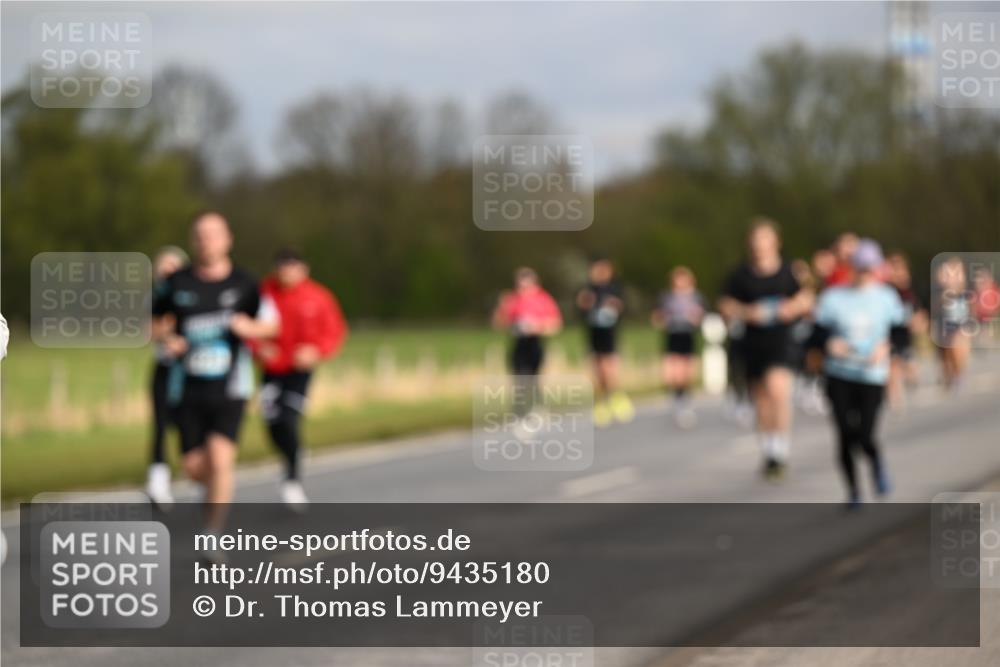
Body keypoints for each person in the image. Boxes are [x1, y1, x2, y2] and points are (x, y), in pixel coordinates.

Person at [152, 212, 279, 551]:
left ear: (228, 240)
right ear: (193, 242)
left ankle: (214, 533)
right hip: (187, 388)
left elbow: (271, 324)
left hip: (230, 387)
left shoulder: (245, 283)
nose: (206, 241)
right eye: (200, 235)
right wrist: (167, 338)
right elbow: (151, 324)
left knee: (222, 460)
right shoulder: (177, 283)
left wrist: (249, 329)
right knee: (195, 467)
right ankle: (210, 495)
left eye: (213, 235)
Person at [250, 249, 348, 510]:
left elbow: (334, 331)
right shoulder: (263, 294)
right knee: (272, 424)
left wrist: (317, 351)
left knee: (289, 418)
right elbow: (245, 326)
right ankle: (292, 454)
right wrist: (258, 347)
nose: (287, 273)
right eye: (282, 267)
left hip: (299, 370)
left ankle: (292, 478)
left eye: (292, 267)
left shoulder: (318, 297)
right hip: (271, 369)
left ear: (303, 269)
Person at [719, 219, 813, 480]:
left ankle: (781, 450)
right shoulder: (740, 275)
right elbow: (725, 304)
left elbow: (808, 297)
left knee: (778, 391)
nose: (759, 246)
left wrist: (791, 308)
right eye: (755, 240)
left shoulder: (790, 272)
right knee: (761, 399)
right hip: (753, 343)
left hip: (782, 341)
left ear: (776, 242)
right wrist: (747, 312)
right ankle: (769, 450)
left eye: (764, 240)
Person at [814, 239, 904, 508]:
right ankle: (853, 491)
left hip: (871, 375)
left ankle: (875, 462)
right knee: (843, 434)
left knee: (865, 433)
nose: (864, 272)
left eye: (869, 268)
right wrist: (830, 343)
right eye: (860, 267)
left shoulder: (886, 297)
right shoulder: (833, 297)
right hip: (840, 373)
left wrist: (885, 347)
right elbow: (816, 333)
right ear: (852, 267)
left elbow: (901, 331)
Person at [145, 246, 189, 507]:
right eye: (162, 267)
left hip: (191, 371)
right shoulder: (154, 297)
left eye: (172, 266)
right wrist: (167, 333)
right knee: (161, 425)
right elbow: (149, 330)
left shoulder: (194, 292)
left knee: (188, 426)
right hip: (164, 367)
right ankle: (157, 482)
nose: (167, 271)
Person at [492, 268, 562, 432]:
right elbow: (498, 324)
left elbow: (555, 324)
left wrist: (537, 326)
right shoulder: (512, 299)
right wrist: (501, 308)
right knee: (519, 378)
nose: (523, 288)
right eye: (520, 284)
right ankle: (520, 412)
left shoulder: (543, 299)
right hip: (518, 343)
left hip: (535, 343)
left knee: (533, 377)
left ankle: (536, 408)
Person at [576, 257, 633, 427]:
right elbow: (581, 306)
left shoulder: (614, 288)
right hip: (593, 333)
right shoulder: (588, 289)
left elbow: (620, 306)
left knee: (610, 369)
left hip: (610, 333)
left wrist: (612, 304)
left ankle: (616, 397)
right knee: (597, 370)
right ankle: (601, 402)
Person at [652, 266, 705, 429]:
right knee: (671, 375)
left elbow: (701, 317)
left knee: (685, 374)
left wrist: (693, 317)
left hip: (687, 338)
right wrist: (664, 320)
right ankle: (677, 401)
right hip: (671, 337)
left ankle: (685, 403)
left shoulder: (696, 297)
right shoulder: (666, 297)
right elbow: (657, 317)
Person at [885, 251, 926, 410]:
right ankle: (895, 400)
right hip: (890, 333)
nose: (896, 273)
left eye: (899, 269)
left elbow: (920, 309)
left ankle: (911, 377)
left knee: (909, 368)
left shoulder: (912, 288)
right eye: (893, 269)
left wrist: (919, 321)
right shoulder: (886, 290)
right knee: (892, 366)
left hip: (906, 335)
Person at [935, 256, 973, 391]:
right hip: (945, 322)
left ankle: (959, 374)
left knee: (959, 348)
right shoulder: (941, 290)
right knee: (946, 352)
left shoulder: (964, 289)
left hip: (961, 322)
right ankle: (949, 374)